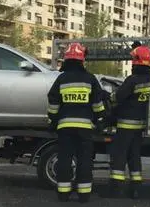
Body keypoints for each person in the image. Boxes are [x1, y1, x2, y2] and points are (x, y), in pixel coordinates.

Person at [47, 42, 106, 203]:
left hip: (65, 128)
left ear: (67, 60)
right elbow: (97, 103)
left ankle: (63, 194)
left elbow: (53, 101)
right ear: (82, 60)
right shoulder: (90, 79)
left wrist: (52, 119)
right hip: (85, 128)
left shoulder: (61, 78)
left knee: (65, 159)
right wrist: (100, 119)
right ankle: (84, 194)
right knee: (85, 160)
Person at [107, 45, 150, 199]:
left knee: (119, 156)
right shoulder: (148, 79)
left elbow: (118, 97)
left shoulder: (132, 80)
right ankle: (136, 189)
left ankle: (116, 189)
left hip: (126, 124)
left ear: (136, 61)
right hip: (139, 126)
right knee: (134, 157)